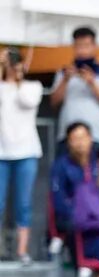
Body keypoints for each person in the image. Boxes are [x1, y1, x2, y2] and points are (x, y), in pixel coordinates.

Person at [0, 46, 42, 264]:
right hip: (1, 153)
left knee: (23, 203)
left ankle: (21, 250)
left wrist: (17, 77)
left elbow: (28, 102)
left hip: (26, 151)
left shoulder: (32, 86)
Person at [50, 26, 99, 146]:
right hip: (69, 137)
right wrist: (65, 80)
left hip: (98, 136)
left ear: (95, 46)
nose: (82, 51)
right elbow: (54, 103)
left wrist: (92, 83)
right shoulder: (63, 73)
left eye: (86, 46)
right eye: (78, 46)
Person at [50, 122, 96, 238]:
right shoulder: (61, 166)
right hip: (72, 218)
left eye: (83, 137)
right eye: (75, 138)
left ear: (90, 139)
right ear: (69, 142)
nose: (80, 142)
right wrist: (80, 214)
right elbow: (59, 199)